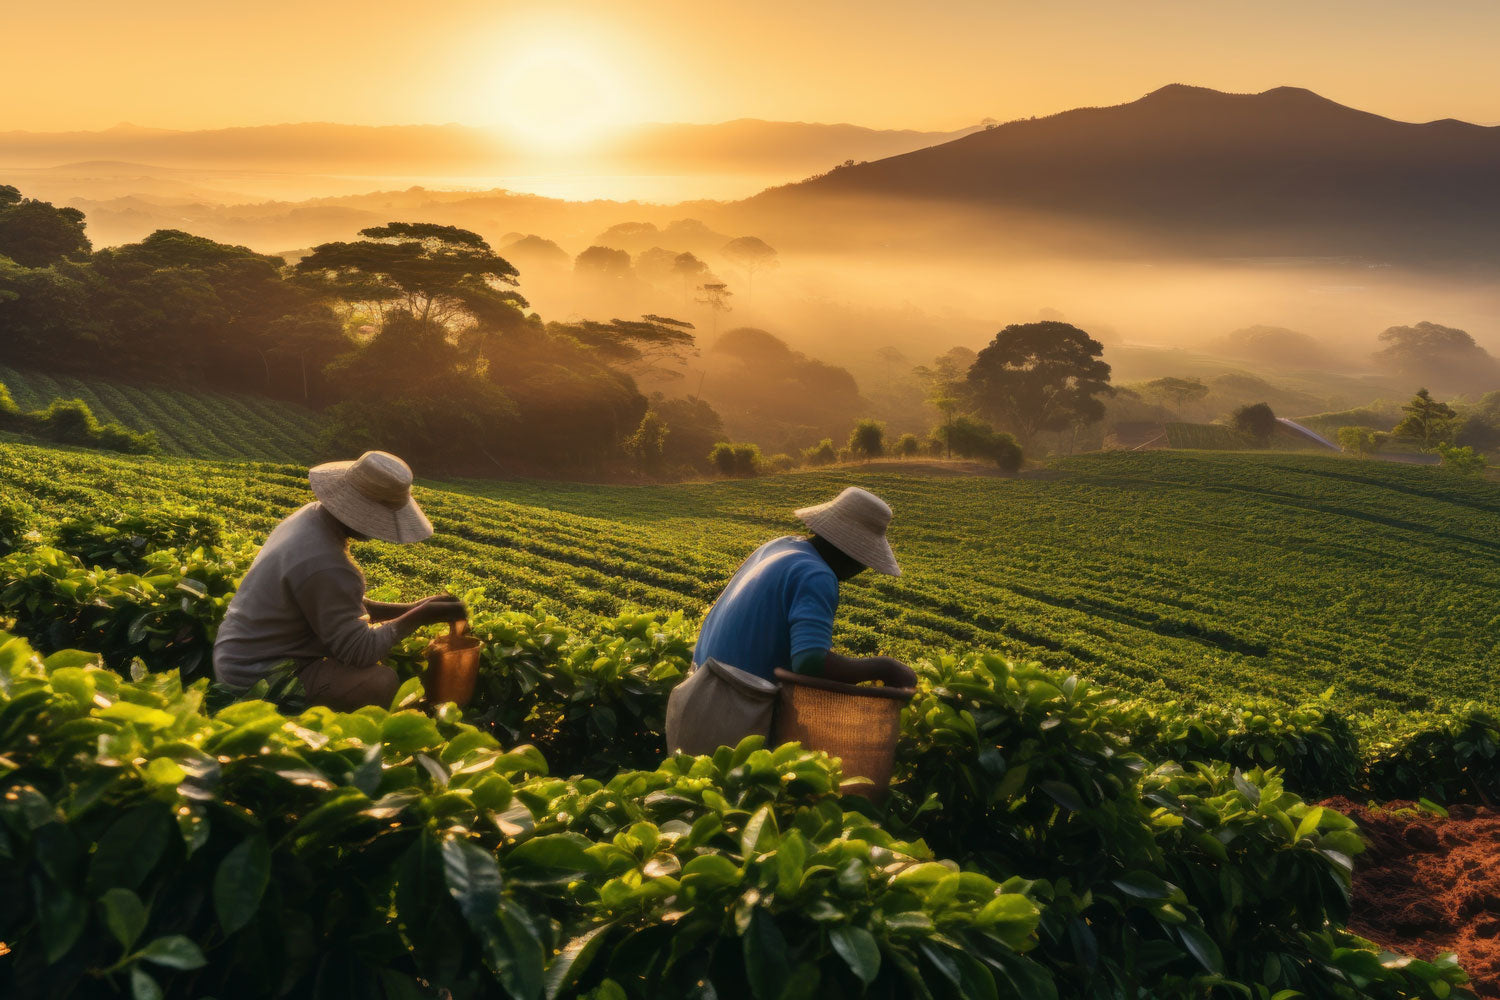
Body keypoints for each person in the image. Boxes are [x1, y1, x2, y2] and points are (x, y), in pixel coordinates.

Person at [213, 450, 467, 710]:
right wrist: (420, 616)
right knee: (380, 681)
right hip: (259, 678)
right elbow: (359, 651)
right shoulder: (327, 563)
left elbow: (338, 603)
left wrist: (415, 607)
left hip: (238, 656)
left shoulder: (309, 518)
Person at [691, 486, 917, 688]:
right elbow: (809, 661)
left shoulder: (779, 547)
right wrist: (882, 667)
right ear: (853, 555)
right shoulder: (816, 575)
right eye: (866, 560)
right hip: (733, 707)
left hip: (696, 690)